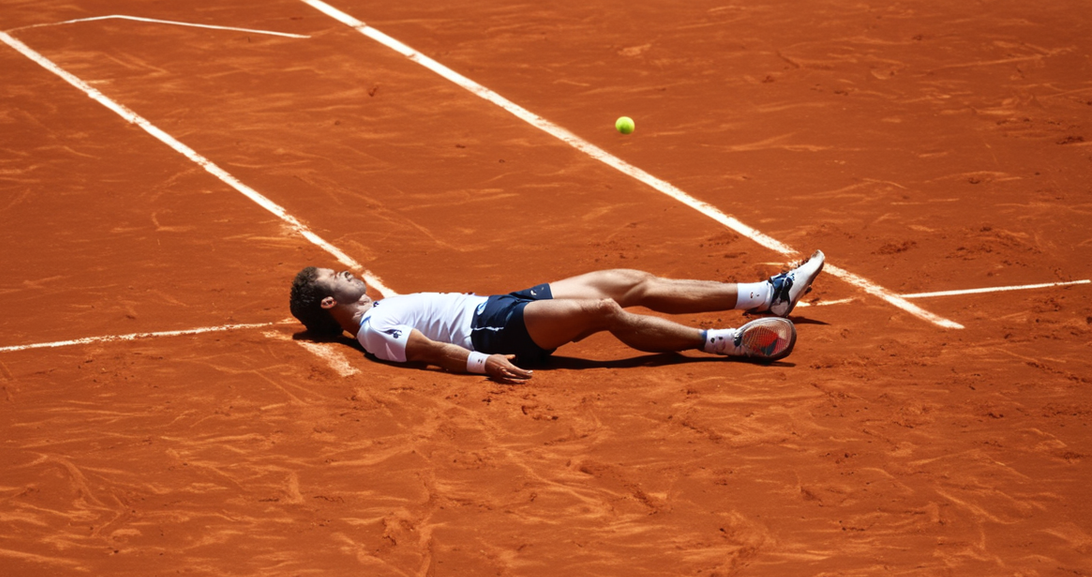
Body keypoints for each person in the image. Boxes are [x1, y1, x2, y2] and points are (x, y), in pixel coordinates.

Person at [289, 251, 825, 382]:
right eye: (333, 277)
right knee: (604, 310)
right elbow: (431, 352)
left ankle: (765, 295)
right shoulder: (375, 330)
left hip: (498, 305)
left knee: (623, 278)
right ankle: (729, 342)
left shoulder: (377, 310)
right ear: (329, 304)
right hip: (496, 331)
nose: (344, 271)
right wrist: (483, 364)